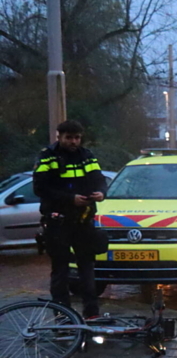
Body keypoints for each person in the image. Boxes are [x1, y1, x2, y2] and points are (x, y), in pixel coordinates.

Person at [33, 120, 107, 318]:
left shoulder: (87, 156)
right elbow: (40, 188)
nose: (73, 141)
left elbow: (99, 178)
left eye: (77, 137)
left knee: (87, 268)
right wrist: (70, 199)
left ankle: (92, 314)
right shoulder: (47, 157)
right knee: (60, 271)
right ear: (59, 137)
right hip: (58, 223)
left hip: (83, 221)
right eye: (69, 138)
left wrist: (101, 192)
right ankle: (63, 316)